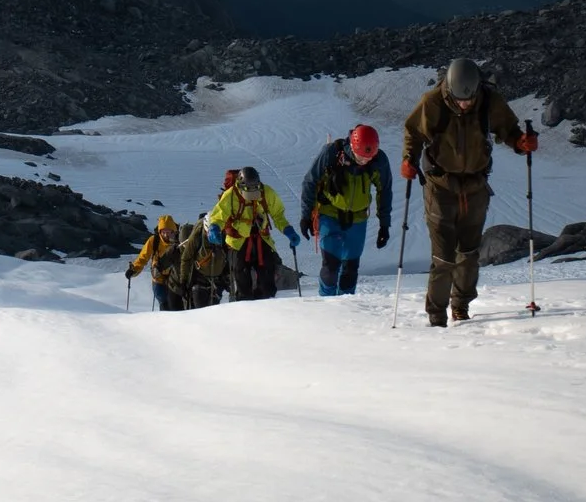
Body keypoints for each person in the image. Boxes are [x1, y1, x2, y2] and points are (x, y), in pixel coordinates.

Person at [401, 57, 536, 327]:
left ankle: (460, 306)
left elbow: (508, 129)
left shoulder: (488, 101)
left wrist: (521, 143)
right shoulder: (433, 102)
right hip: (440, 187)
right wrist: (408, 159)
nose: (465, 104)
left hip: (475, 187)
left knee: (469, 253)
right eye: (459, 100)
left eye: (469, 99)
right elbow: (413, 133)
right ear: (449, 90)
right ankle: (437, 316)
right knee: (443, 258)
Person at [298, 123, 392, 296]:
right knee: (331, 267)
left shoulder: (378, 160)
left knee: (350, 270)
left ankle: (347, 305)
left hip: (358, 219)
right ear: (353, 147)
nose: (365, 161)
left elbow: (384, 191)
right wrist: (306, 216)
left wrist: (384, 225)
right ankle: (326, 304)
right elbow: (310, 181)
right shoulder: (331, 153)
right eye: (361, 158)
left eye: (369, 158)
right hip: (330, 214)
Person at [204, 165, 298, 301]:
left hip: (261, 238)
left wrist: (287, 230)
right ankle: (245, 307)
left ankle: (266, 305)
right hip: (238, 242)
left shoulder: (267, 192)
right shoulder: (230, 195)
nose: (253, 193)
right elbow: (219, 215)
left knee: (267, 282)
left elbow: (278, 215)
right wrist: (214, 227)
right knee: (242, 282)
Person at [126, 215, 186, 311]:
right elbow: (143, 257)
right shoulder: (154, 241)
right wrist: (134, 270)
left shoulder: (180, 241)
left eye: (168, 232)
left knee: (175, 305)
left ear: (173, 231)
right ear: (160, 231)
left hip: (176, 279)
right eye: (163, 232)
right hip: (158, 279)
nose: (165, 235)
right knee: (164, 302)